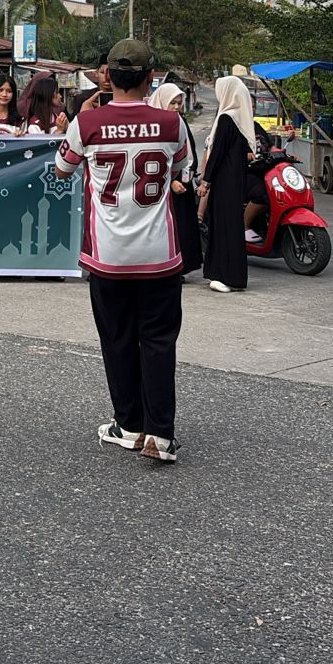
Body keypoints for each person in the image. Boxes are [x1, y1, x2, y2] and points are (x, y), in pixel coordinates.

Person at [53, 38, 189, 464]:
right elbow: (182, 166)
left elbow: (62, 169)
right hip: (159, 255)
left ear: (107, 75)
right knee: (159, 341)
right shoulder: (171, 124)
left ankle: (128, 425)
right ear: (152, 78)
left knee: (117, 339)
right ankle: (161, 435)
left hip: (108, 256)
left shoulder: (87, 123)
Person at [199, 75, 255, 294]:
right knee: (231, 227)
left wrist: (206, 181)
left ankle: (224, 275)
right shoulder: (240, 120)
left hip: (224, 182)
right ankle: (231, 275)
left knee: (223, 227)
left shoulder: (226, 119)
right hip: (235, 182)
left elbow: (217, 155)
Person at [150, 82, 202, 277]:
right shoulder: (155, 125)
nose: (176, 107)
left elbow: (188, 152)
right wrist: (170, 181)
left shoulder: (180, 121)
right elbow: (155, 156)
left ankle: (181, 267)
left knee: (183, 227)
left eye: (179, 103)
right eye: (172, 103)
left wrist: (187, 175)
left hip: (183, 183)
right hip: (162, 186)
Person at [71, 53, 112, 117]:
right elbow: (74, 124)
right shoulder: (83, 98)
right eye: (102, 72)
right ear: (96, 73)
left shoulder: (123, 98)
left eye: (110, 72)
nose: (106, 78)